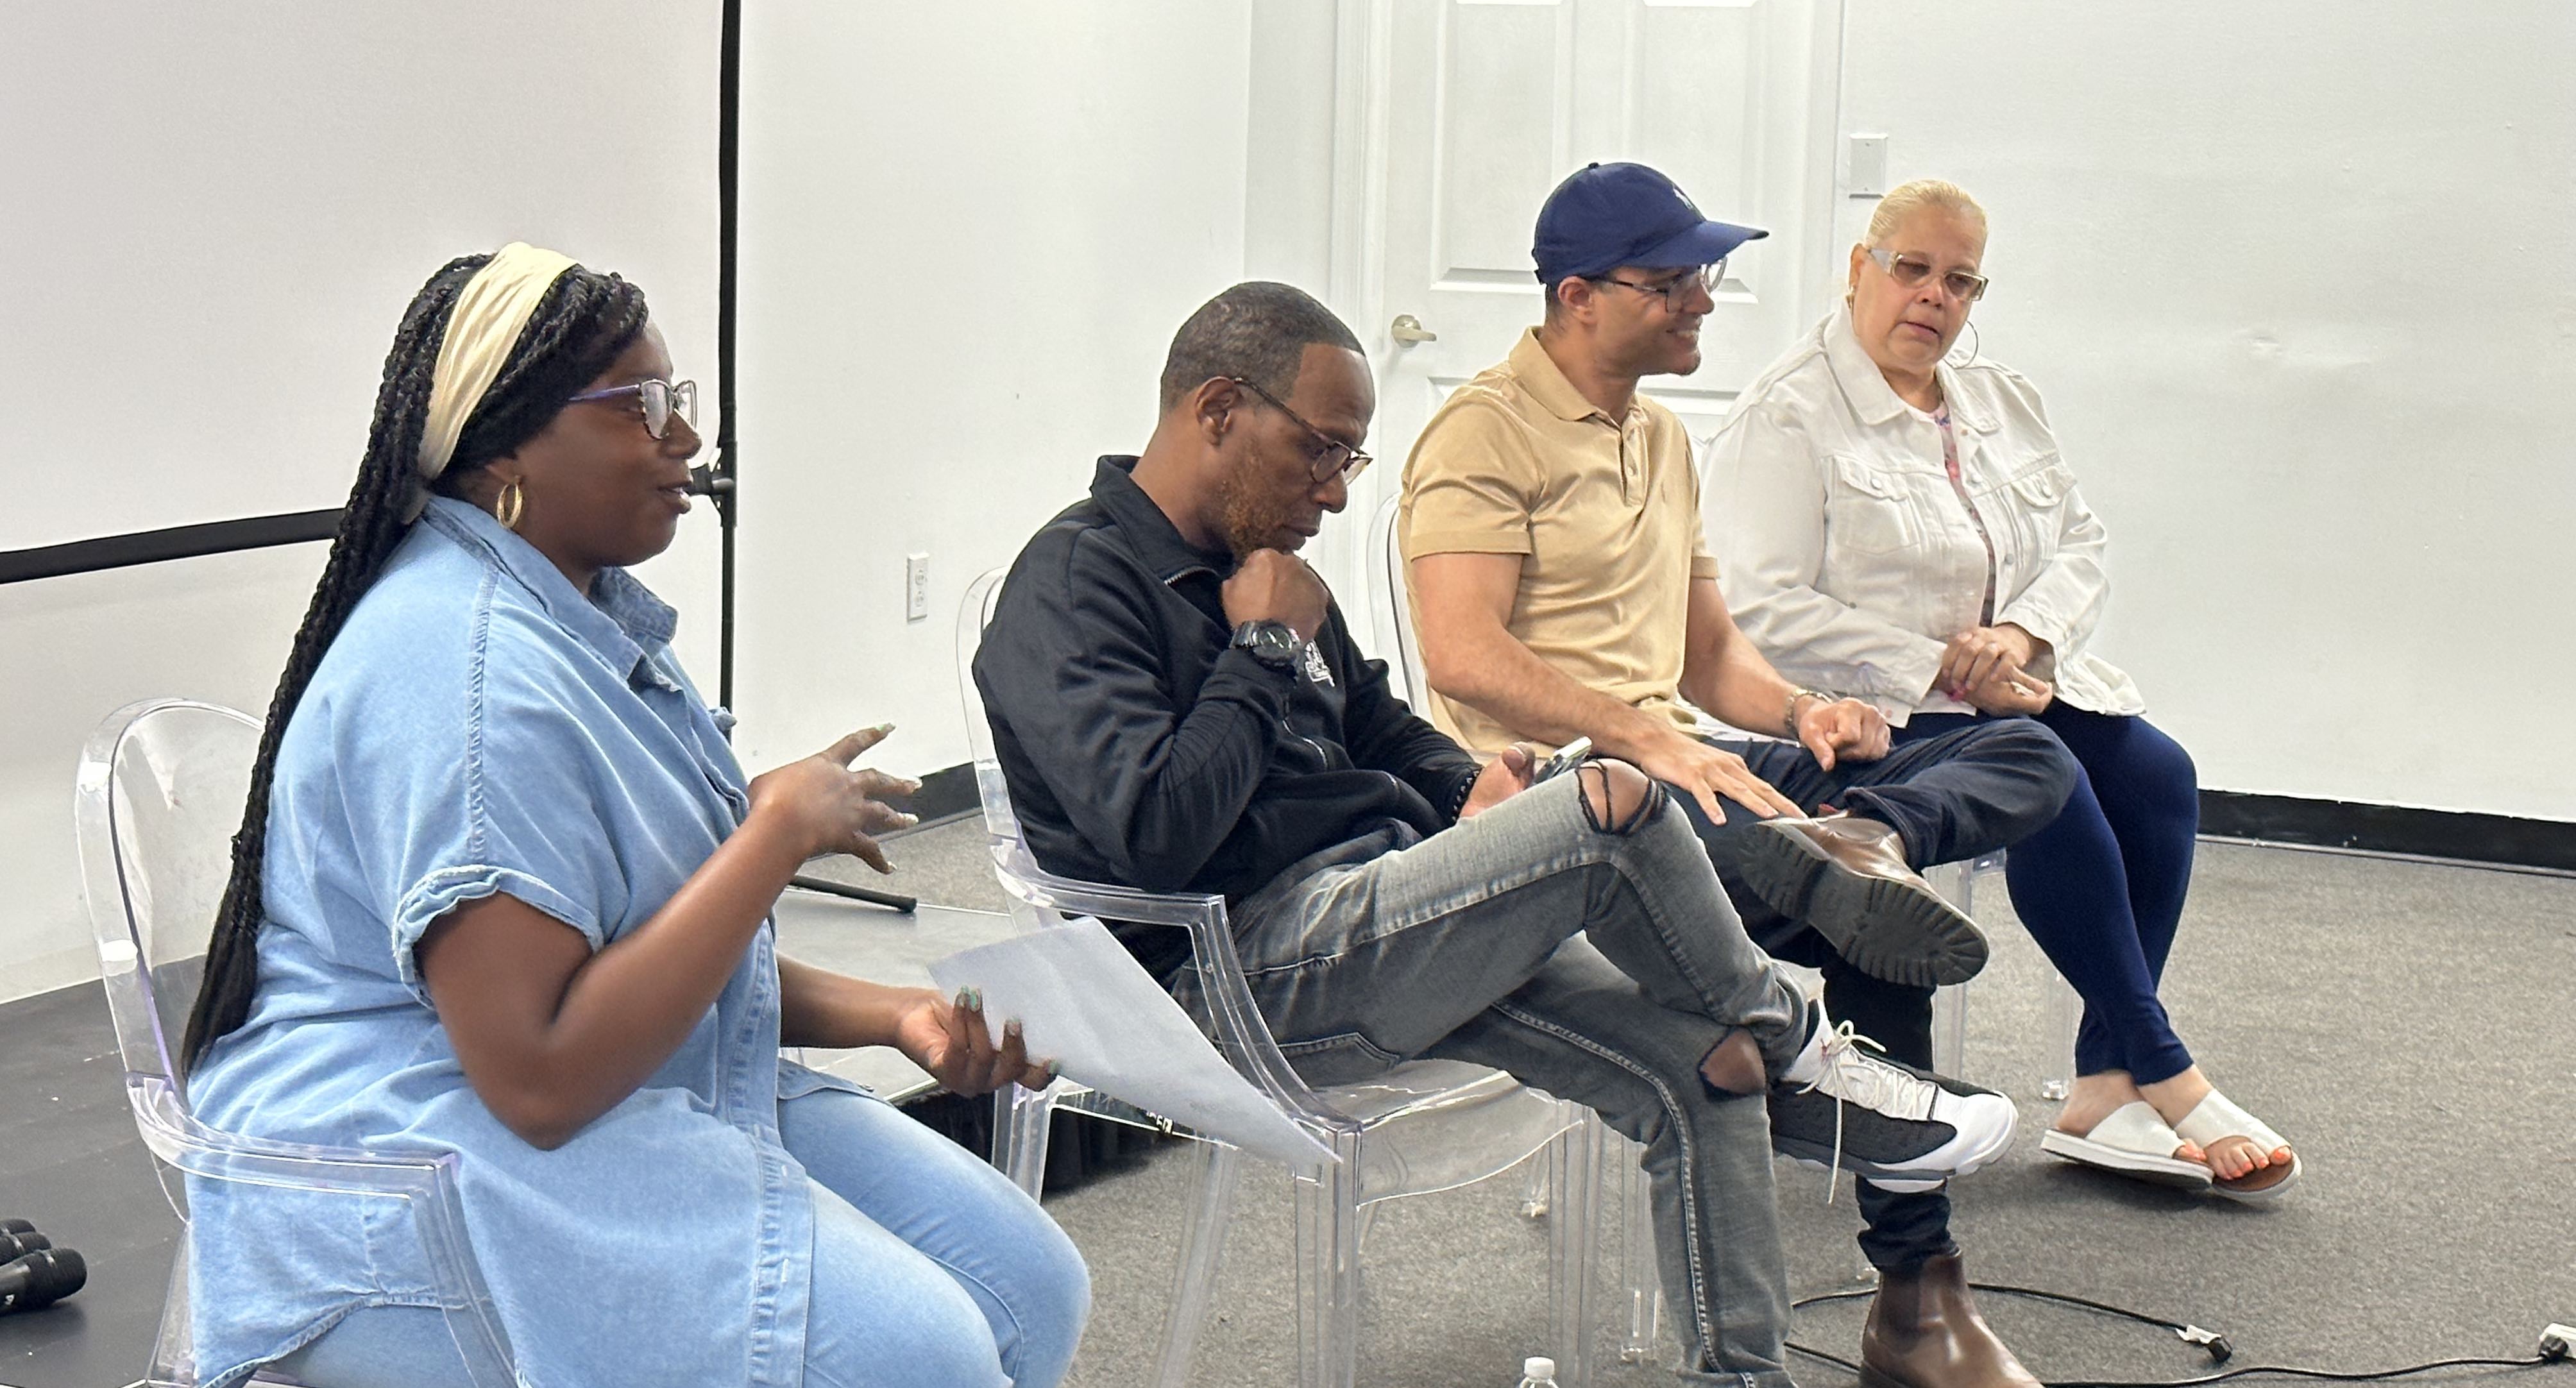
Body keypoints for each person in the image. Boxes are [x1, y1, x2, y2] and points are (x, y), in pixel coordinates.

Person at [974, 280, 2022, 1388]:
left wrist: (1472, 785)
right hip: (1227, 978)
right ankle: (1805, 1046)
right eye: (1321, 452)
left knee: (1705, 1066)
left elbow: (1386, 733)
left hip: (1382, 918)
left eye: (1349, 462)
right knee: (1610, 799)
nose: (1334, 495)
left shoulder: (1269, 576)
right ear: (1221, 409)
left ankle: (1746, 1364)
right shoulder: (1076, 583)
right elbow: (1152, 835)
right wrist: (1266, 654)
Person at [181, 246, 1089, 1388]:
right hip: (404, 1158)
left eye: (681, 401)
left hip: (580, 1081)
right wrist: (768, 841)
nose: (687, 440)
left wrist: (898, 1015)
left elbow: (648, 959)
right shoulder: (470, 682)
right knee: (927, 1357)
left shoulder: (574, 615)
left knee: (1033, 1289)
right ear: (505, 442)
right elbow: (541, 1076)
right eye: (640, 407)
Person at [1400, 161, 2080, 1388]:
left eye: (1702, 276)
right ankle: (1916, 1299)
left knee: (2033, 749)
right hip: (1568, 800)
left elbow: (1713, 655)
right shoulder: (1479, 435)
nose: (1702, 301)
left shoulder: (1660, 435)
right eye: (1671, 282)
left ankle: (1862, 841)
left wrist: (1810, 712)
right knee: (1880, 936)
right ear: (1577, 296)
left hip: (1695, 764)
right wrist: (1642, 735)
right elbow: (1464, 656)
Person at [1702, 178, 2300, 1204]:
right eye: (1913, 270)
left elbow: (2080, 544)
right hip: (1871, 713)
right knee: (2054, 781)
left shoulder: (2001, 398)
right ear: (1861, 269)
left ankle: (2103, 1085)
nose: (1934, 297)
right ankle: (2158, 1064)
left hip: (2005, 688)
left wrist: (2020, 636)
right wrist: (1935, 661)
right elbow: (1758, 607)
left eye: (1962, 281)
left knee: (2159, 775)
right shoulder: (1789, 413)